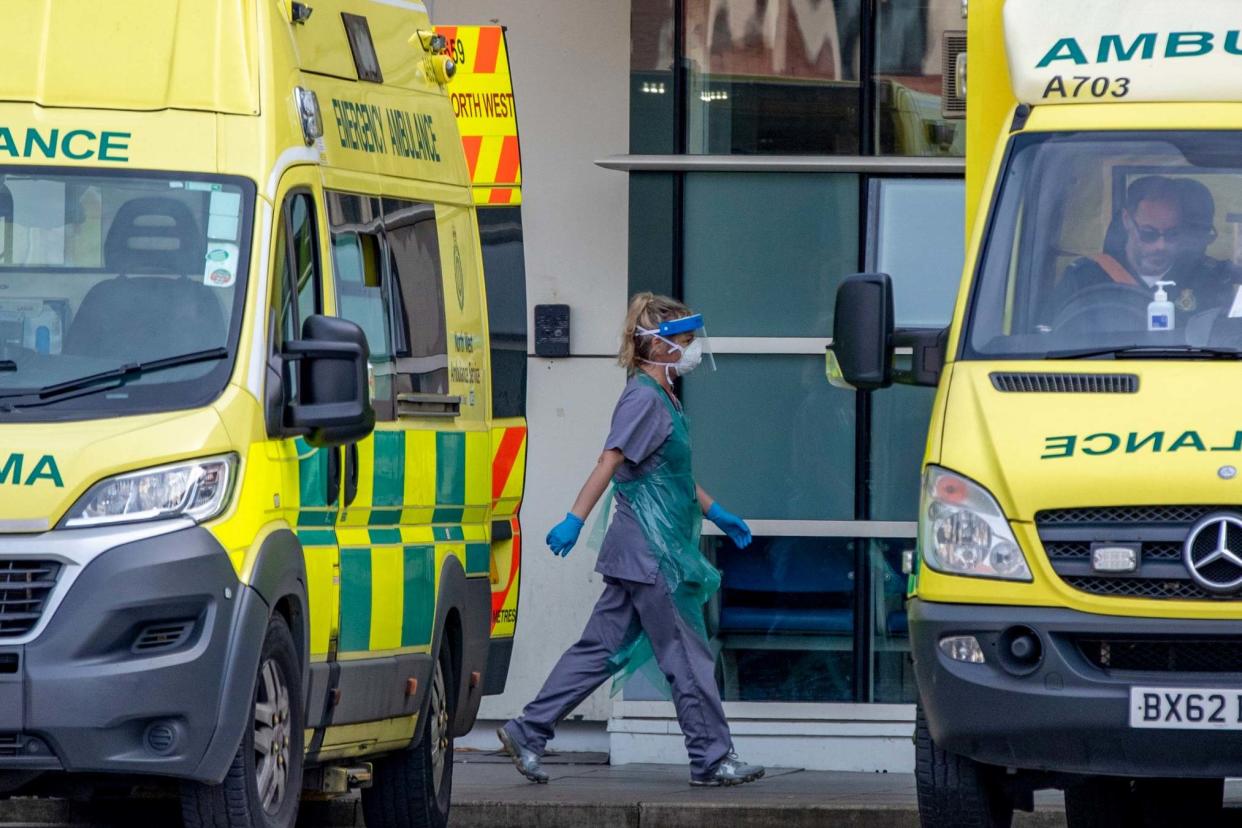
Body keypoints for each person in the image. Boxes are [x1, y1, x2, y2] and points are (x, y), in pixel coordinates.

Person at [496, 292, 766, 788]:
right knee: (686, 657)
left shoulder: (661, 397)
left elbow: (669, 473)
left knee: (599, 649)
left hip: (639, 551)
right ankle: (712, 758)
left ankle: (527, 729)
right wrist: (574, 519)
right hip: (655, 555)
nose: (691, 350)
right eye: (684, 341)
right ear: (658, 346)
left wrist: (715, 510)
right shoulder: (645, 397)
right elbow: (612, 459)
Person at [1050, 175, 1235, 323]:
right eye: (1149, 234)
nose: (1160, 246)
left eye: (1172, 234)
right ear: (1127, 220)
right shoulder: (1085, 278)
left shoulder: (1209, 280)